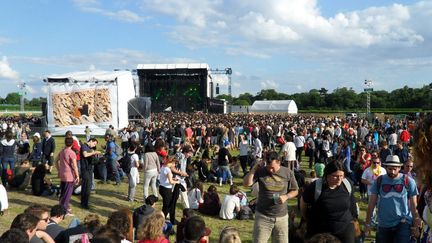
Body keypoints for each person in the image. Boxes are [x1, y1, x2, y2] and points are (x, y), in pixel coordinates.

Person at [243, 151, 299, 243]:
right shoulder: (261, 171)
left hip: (282, 217)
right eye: (268, 167)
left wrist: (286, 196)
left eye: (273, 168)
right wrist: (254, 169)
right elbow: (247, 184)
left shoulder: (287, 172)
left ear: (278, 162)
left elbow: (295, 190)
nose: (270, 170)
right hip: (263, 216)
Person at [364, 155, 421, 242]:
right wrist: (368, 224)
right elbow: (371, 203)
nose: (393, 172)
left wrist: (416, 225)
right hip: (383, 224)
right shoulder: (379, 181)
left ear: (399, 167)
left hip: (403, 222)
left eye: (395, 169)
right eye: (390, 169)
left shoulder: (408, 181)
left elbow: (414, 205)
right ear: (386, 167)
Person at [300, 161, 357, 242]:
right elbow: (303, 203)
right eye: (335, 176)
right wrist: (306, 217)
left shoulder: (347, 184)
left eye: (341, 176)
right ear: (327, 175)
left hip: (345, 229)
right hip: (320, 231)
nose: (339, 179)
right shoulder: (316, 186)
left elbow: (352, 205)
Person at [55, 137, 80, 214]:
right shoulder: (72, 153)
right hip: (69, 176)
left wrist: (59, 170)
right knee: (67, 194)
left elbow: (55, 161)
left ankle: (61, 207)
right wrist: (77, 175)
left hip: (63, 174)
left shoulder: (62, 151)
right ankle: (64, 210)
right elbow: (75, 166)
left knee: (63, 193)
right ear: (72, 144)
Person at [80, 138, 101, 209]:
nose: (94, 145)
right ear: (91, 141)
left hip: (89, 170)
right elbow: (85, 155)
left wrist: (93, 152)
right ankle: (84, 204)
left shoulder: (88, 147)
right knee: (86, 187)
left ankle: (84, 202)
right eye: (94, 143)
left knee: (87, 187)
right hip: (85, 170)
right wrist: (94, 152)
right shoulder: (84, 146)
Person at [158, 157, 179, 221]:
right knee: (167, 206)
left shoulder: (163, 167)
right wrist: (177, 182)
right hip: (166, 189)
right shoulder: (168, 170)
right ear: (172, 163)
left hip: (161, 187)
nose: (175, 165)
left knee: (165, 205)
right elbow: (171, 182)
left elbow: (165, 178)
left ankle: (163, 217)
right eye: (174, 164)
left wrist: (173, 179)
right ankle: (162, 219)